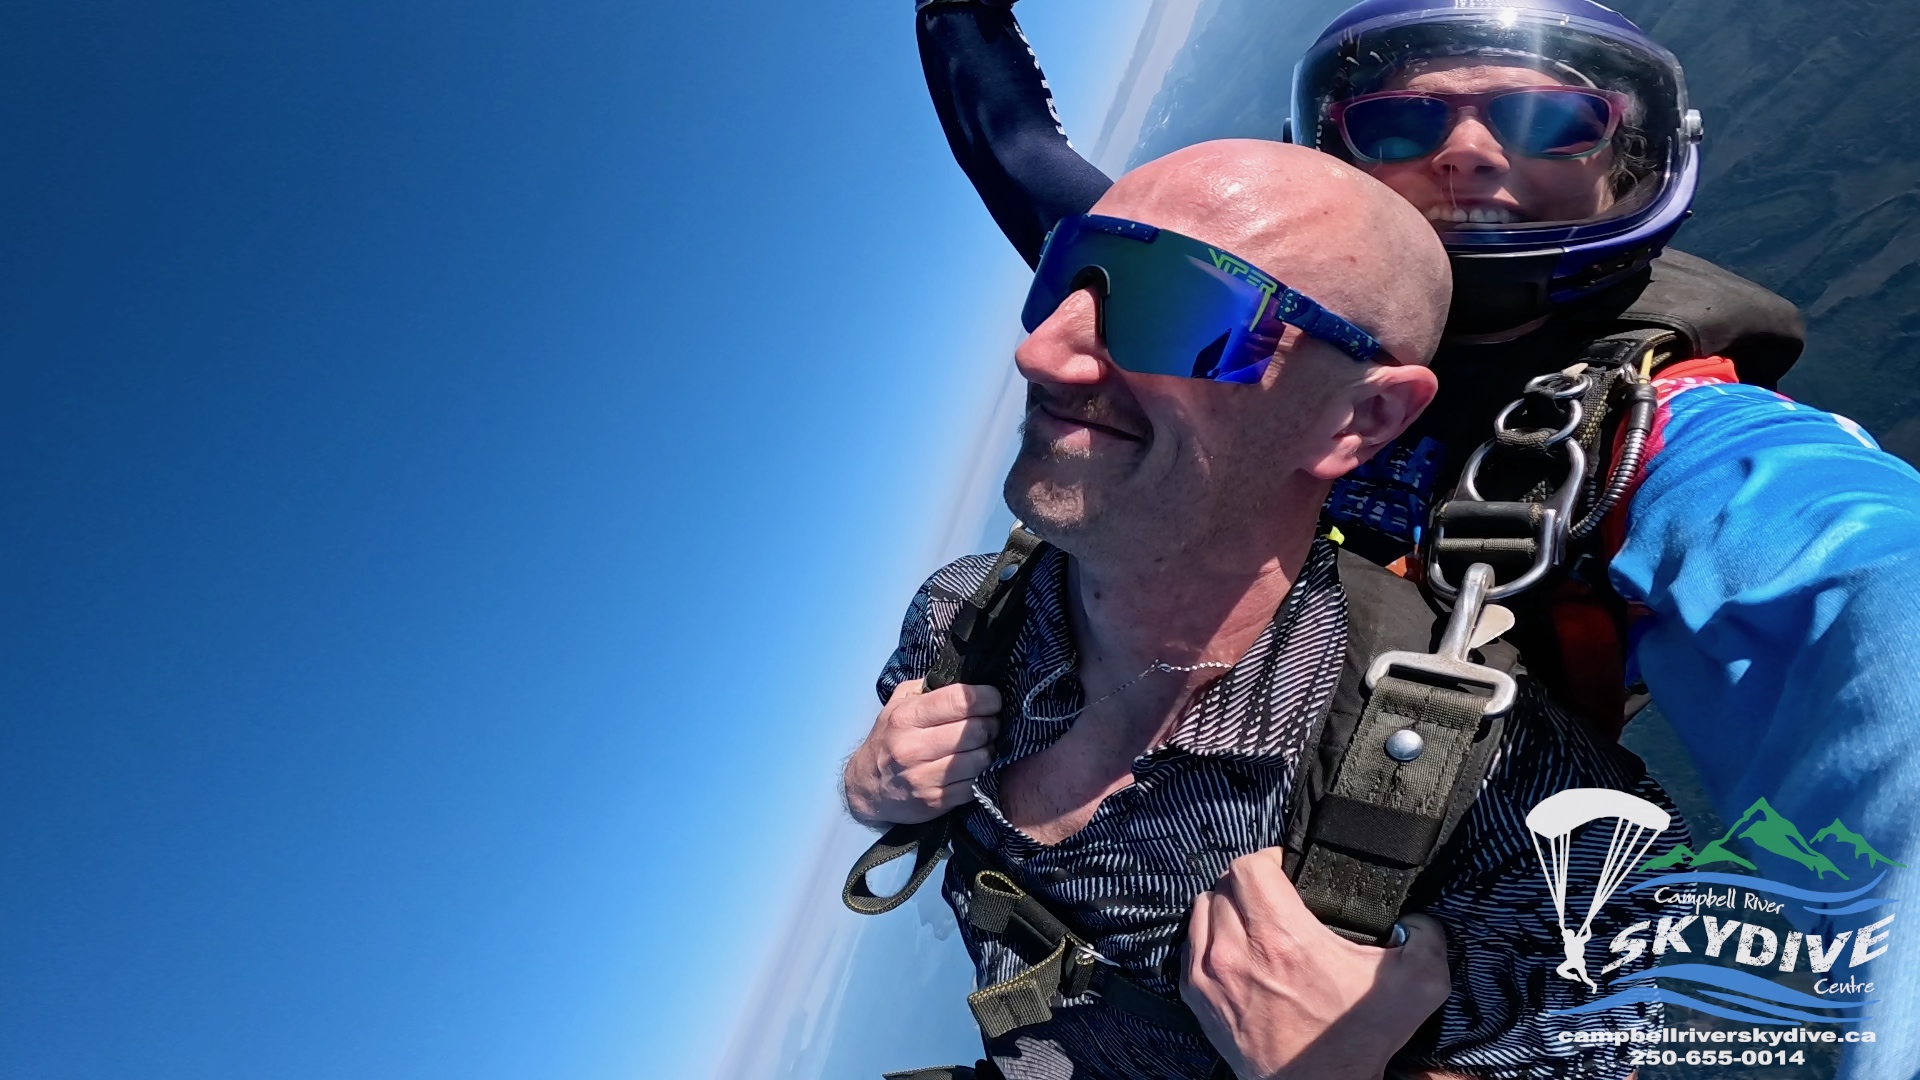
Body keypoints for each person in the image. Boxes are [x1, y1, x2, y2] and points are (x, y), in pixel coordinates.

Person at [915, 7, 1920, 1074]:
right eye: (1398, 123)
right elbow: (1022, 159)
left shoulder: (1683, 442)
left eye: (1552, 120)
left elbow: (1869, 598)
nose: (1470, 152)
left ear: (1626, 162)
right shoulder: (1225, 318)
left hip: (1455, 859)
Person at [844, 139, 1687, 1080]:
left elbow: (1679, 1012)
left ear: (1359, 418)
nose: (1041, 350)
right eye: (1068, 275)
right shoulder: (964, 612)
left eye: (1179, 307)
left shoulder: (1481, 772)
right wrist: (873, 789)